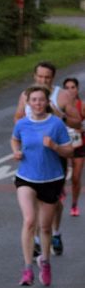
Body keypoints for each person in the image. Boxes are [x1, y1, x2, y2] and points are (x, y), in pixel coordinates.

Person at [13, 61, 82, 255]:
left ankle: (56, 232)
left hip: (55, 153)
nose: (43, 80)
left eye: (47, 77)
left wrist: (61, 116)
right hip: (31, 155)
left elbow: (78, 123)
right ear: (34, 76)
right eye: (40, 77)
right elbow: (17, 117)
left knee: (55, 201)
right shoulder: (26, 96)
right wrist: (21, 138)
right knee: (32, 200)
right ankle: (36, 239)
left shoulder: (62, 96)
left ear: (53, 78)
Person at [11, 84, 73, 286]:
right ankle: (27, 269)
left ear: (47, 103)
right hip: (26, 178)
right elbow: (14, 139)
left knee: (45, 227)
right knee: (29, 221)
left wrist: (54, 146)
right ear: (28, 103)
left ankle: (44, 262)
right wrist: (17, 152)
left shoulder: (56, 124)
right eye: (34, 100)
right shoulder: (22, 124)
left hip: (51, 180)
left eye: (41, 100)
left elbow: (69, 151)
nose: (38, 103)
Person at [61, 76, 84, 216]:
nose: (70, 91)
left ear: (77, 89)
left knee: (76, 177)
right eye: (67, 88)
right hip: (63, 144)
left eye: (72, 87)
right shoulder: (59, 105)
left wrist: (81, 129)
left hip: (79, 144)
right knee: (61, 174)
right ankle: (61, 190)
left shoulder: (82, 105)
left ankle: (74, 205)